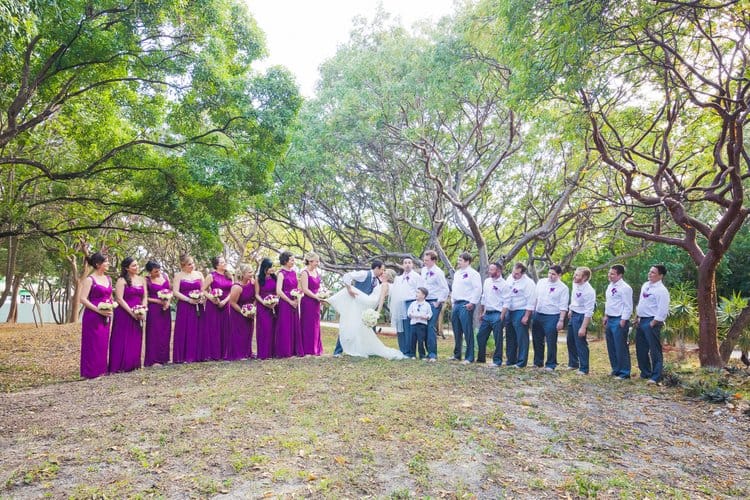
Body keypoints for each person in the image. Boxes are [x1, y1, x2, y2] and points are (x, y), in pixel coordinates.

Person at [327, 269, 405, 359]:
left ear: (388, 277)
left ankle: (330, 300)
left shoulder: (384, 284)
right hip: (370, 300)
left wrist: (377, 313)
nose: (382, 274)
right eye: (383, 272)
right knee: (350, 293)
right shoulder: (382, 283)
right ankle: (330, 300)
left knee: (348, 290)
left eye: (385, 273)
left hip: (370, 300)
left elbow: (382, 299)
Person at [332, 260, 386, 357]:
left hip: (365, 308)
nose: (383, 272)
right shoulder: (364, 274)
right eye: (382, 269)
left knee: (370, 327)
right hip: (355, 306)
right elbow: (347, 276)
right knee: (348, 327)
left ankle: (371, 350)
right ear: (376, 268)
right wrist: (349, 290)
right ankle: (337, 351)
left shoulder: (377, 281)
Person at [109, 257, 147, 373]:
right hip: (124, 313)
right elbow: (119, 299)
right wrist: (132, 312)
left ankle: (133, 363)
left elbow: (144, 296)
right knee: (121, 338)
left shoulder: (142, 280)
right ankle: (119, 365)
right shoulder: (122, 280)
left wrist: (143, 309)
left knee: (135, 337)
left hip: (138, 312)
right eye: (134, 265)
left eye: (137, 265)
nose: (137, 267)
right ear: (126, 268)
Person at [79, 252, 113, 378]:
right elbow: (83, 299)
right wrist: (98, 310)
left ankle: (101, 369)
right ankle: (90, 372)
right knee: (92, 343)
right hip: (92, 315)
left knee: (103, 342)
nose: (108, 263)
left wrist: (111, 306)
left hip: (106, 315)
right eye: (106, 261)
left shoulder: (108, 279)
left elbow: (110, 296)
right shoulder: (89, 280)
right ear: (98, 264)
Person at [635, 265, 670, 384]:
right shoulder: (646, 285)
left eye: (653, 272)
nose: (650, 274)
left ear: (660, 276)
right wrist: (638, 316)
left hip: (652, 321)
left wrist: (654, 322)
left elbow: (663, 309)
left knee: (654, 350)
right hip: (642, 320)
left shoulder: (662, 290)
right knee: (641, 348)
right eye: (650, 271)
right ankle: (645, 372)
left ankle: (656, 376)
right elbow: (641, 302)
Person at [531, 265, 569, 370]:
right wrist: (532, 312)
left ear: (559, 275)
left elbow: (563, 306)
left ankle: (551, 363)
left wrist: (561, 320)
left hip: (552, 316)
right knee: (537, 339)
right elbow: (535, 298)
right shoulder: (541, 282)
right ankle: (538, 362)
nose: (550, 276)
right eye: (549, 273)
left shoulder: (563, 288)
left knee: (551, 341)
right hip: (539, 313)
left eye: (553, 274)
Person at [449, 252, 482, 364]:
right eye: (458, 260)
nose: (458, 262)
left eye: (460, 260)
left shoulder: (473, 273)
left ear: (467, 261)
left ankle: (469, 356)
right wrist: (453, 302)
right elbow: (454, 288)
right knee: (457, 330)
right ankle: (457, 354)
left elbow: (477, 288)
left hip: (466, 303)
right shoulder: (457, 273)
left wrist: (472, 302)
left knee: (467, 330)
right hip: (456, 303)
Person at [502, 262, 536, 368]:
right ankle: (511, 360)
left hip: (521, 310)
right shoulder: (510, 279)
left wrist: (526, 316)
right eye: (513, 272)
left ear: (522, 273)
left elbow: (531, 301)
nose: (514, 275)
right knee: (510, 336)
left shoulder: (528, 283)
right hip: (510, 310)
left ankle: (521, 362)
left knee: (521, 337)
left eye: (517, 274)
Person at [172, 254, 204, 364]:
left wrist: (201, 297)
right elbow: (175, 292)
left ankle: (198, 355)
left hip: (198, 306)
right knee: (185, 328)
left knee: (198, 328)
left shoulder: (199, 274)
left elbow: (203, 289)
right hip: (185, 306)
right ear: (183, 265)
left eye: (193, 263)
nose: (192, 266)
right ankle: (184, 356)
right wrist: (188, 300)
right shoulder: (178, 275)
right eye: (189, 264)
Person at [603, 265, 633, 379]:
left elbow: (628, 305)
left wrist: (623, 319)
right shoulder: (610, 286)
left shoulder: (625, 288)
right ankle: (615, 368)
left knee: (620, 346)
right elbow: (608, 302)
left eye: (612, 274)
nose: (609, 276)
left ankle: (624, 372)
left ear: (620, 275)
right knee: (611, 346)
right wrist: (606, 315)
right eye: (609, 273)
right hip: (610, 318)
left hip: (619, 319)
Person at [476, 262, 509, 366]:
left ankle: (497, 361)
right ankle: (481, 358)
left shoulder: (504, 284)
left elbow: (506, 302)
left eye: (492, 270)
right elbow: (484, 297)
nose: (489, 271)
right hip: (487, 313)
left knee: (497, 338)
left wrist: (501, 316)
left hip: (497, 313)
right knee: (480, 336)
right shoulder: (487, 281)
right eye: (489, 269)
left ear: (498, 271)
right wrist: (482, 312)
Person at [391, 257, 424, 356]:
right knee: (400, 327)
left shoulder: (417, 276)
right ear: (402, 265)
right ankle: (402, 350)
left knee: (409, 327)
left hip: (411, 302)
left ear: (412, 264)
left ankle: (410, 351)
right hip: (399, 303)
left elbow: (420, 290)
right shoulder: (399, 278)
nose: (407, 264)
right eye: (405, 263)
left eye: (409, 262)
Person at [566, 266, 596, 374]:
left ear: (584, 278)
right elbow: (574, 299)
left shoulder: (589, 291)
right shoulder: (575, 284)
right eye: (575, 274)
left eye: (577, 275)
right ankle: (573, 363)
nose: (574, 276)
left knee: (580, 341)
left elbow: (589, 311)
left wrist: (583, 327)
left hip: (582, 316)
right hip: (574, 313)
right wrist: (570, 309)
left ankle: (584, 368)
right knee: (570, 340)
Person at [202, 256, 233, 361]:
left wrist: (225, 301)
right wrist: (212, 298)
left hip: (226, 304)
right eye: (221, 262)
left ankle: (225, 353)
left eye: (224, 262)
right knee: (214, 328)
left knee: (226, 327)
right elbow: (203, 290)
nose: (224, 264)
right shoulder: (211, 276)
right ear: (216, 265)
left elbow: (231, 291)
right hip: (213, 304)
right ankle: (213, 354)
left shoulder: (229, 275)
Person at [421, 250, 450, 362]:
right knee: (424, 326)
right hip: (424, 302)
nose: (425, 262)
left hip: (434, 302)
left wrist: (438, 302)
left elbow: (445, 289)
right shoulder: (423, 270)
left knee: (431, 326)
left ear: (433, 260)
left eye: (427, 260)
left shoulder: (438, 272)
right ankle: (427, 353)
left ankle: (433, 354)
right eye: (424, 260)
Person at [275, 251, 303, 357]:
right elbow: (278, 291)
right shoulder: (281, 273)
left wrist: (297, 298)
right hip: (285, 302)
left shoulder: (294, 273)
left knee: (294, 325)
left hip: (294, 302)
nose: (293, 261)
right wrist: (290, 301)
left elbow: (297, 288)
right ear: (285, 261)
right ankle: (285, 350)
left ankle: (293, 350)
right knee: (285, 325)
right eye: (291, 260)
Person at [144, 261, 172, 367]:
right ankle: (153, 359)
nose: (158, 273)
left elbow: (170, 290)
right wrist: (157, 301)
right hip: (154, 309)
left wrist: (167, 303)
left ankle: (164, 357)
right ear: (150, 272)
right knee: (154, 333)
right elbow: (144, 297)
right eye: (155, 271)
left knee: (165, 332)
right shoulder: (147, 280)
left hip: (166, 308)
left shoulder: (165, 276)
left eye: (159, 270)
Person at [226, 264, 255, 360]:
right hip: (238, 312)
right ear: (243, 274)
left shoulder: (253, 283)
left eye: (252, 271)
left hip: (249, 312)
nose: (252, 274)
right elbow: (232, 302)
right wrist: (244, 312)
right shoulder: (237, 287)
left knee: (248, 332)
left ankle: (247, 352)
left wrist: (252, 309)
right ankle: (239, 354)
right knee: (239, 333)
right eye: (249, 272)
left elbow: (254, 297)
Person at [299, 252, 324, 356]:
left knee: (316, 324)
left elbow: (318, 287)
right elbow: (304, 289)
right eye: (316, 261)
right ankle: (308, 349)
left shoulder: (317, 272)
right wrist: (316, 297)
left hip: (316, 301)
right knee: (308, 324)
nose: (318, 263)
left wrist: (321, 297)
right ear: (310, 261)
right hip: (308, 301)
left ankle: (315, 348)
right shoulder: (304, 272)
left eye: (318, 261)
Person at [254, 258, 277, 360]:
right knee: (264, 329)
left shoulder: (275, 278)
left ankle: (273, 352)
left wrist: (275, 302)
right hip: (262, 306)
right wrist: (264, 302)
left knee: (273, 328)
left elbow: (277, 292)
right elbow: (256, 294)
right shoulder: (258, 279)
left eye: (272, 267)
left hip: (274, 305)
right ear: (264, 268)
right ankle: (263, 353)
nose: (272, 269)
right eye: (270, 267)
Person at [407, 287, 432, 359]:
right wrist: (412, 315)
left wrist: (426, 317)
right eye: (416, 292)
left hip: (422, 325)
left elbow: (430, 314)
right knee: (412, 340)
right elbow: (409, 313)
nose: (416, 294)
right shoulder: (413, 304)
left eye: (418, 292)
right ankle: (412, 354)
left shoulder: (427, 305)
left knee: (421, 340)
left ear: (423, 295)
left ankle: (422, 355)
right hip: (413, 324)